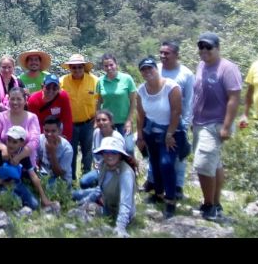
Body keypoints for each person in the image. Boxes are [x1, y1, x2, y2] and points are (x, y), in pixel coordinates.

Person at [192, 32, 242, 221]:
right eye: (201, 47)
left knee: (203, 164)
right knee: (215, 164)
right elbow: (198, 94)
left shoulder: (228, 68)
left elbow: (234, 98)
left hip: (216, 123)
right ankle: (216, 203)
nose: (204, 50)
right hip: (200, 122)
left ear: (218, 48)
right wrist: (193, 119)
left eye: (208, 47)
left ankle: (208, 205)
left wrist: (226, 126)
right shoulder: (201, 65)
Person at [135, 57, 183, 219]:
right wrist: (140, 135)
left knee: (166, 164)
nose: (147, 72)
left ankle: (171, 200)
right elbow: (140, 114)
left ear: (156, 69)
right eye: (143, 69)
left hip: (171, 132)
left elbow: (176, 111)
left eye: (150, 68)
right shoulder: (141, 90)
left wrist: (169, 134)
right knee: (155, 163)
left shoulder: (171, 87)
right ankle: (158, 194)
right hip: (150, 132)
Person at [150, 41, 195, 198]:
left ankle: (178, 187)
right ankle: (154, 183)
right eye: (161, 53)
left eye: (167, 53)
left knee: (178, 155)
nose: (163, 56)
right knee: (155, 153)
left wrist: (187, 122)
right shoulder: (155, 69)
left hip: (178, 121)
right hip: (155, 120)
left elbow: (189, 100)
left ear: (176, 55)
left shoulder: (186, 74)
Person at [72, 136, 137, 238]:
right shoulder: (103, 165)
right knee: (76, 194)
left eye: (114, 152)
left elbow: (125, 203)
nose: (109, 155)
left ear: (120, 155)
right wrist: (85, 202)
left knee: (89, 207)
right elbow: (99, 190)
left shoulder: (126, 174)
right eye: (106, 152)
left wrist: (120, 226)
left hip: (117, 212)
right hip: (106, 202)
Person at [0, 125, 55, 211]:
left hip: (18, 184)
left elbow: (33, 176)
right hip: (2, 185)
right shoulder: (0, 153)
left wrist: (43, 197)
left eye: (14, 142)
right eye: (9, 140)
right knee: (12, 201)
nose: (10, 144)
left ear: (22, 143)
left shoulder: (23, 155)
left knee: (35, 205)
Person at [60, 53, 98, 181]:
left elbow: (101, 100)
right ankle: (71, 179)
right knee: (71, 152)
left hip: (89, 123)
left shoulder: (94, 81)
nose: (77, 70)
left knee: (88, 151)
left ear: (84, 67)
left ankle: (87, 178)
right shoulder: (62, 81)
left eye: (79, 67)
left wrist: (98, 116)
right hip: (69, 124)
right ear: (70, 68)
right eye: (74, 67)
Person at [0, 86, 41, 169]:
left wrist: (19, 156)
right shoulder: (1, 117)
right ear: (8, 100)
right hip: (3, 164)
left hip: (27, 166)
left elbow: (35, 141)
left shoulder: (32, 118)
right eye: (12, 99)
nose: (15, 102)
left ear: (25, 100)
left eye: (19, 99)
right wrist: (3, 148)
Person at [80, 109, 125, 189]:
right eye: (98, 120)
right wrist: (96, 165)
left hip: (115, 171)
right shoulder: (96, 133)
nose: (101, 122)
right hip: (101, 169)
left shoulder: (117, 138)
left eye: (104, 120)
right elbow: (94, 153)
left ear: (111, 122)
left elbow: (121, 159)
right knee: (83, 182)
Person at [96, 54, 137, 139]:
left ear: (116, 64)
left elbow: (133, 101)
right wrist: (98, 120)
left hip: (124, 122)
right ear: (103, 67)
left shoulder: (127, 79)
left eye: (111, 65)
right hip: (106, 123)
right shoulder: (100, 81)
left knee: (128, 146)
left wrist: (129, 120)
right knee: (109, 146)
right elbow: (98, 102)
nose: (109, 68)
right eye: (106, 66)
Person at [27, 74, 73, 142]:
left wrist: (66, 138)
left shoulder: (63, 96)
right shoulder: (33, 100)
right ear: (42, 86)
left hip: (58, 129)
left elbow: (67, 119)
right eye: (48, 87)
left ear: (59, 89)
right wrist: (46, 138)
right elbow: (35, 124)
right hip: (42, 131)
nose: (51, 91)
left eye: (54, 88)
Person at [37, 115, 74, 188]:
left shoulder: (67, 149)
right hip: (43, 175)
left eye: (53, 131)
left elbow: (59, 173)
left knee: (49, 186)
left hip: (61, 180)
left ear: (59, 131)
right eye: (46, 131)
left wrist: (52, 152)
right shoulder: (40, 139)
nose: (49, 134)